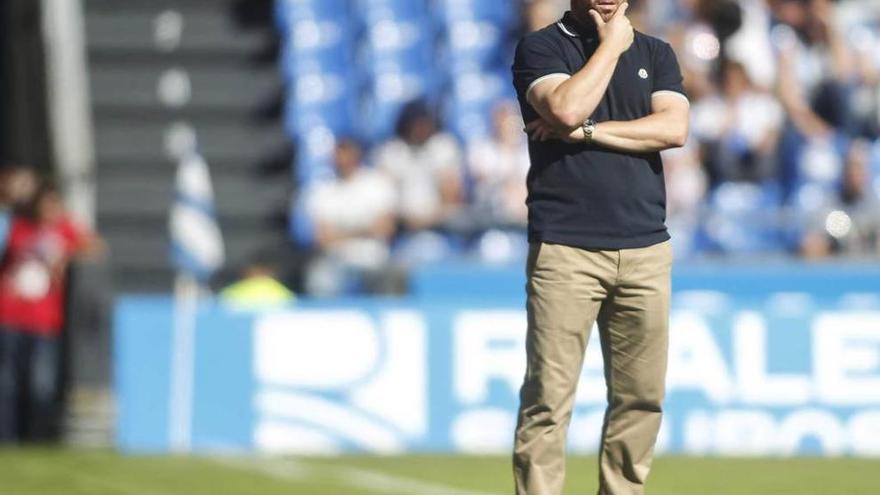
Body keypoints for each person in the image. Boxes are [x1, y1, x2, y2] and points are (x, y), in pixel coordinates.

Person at [511, 1, 689, 494]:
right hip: (566, 248)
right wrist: (611, 45)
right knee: (548, 400)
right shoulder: (541, 47)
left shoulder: (657, 52)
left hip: (646, 248)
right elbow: (567, 106)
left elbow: (672, 129)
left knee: (641, 399)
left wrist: (588, 134)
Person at [0, 181, 101, 443]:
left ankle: (38, 437)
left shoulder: (63, 230)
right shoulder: (18, 227)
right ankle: (8, 436)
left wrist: (67, 255)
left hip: (44, 320)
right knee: (8, 382)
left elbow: (95, 247)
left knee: (40, 384)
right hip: (10, 315)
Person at [304, 137, 398, 296]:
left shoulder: (377, 184)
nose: (341, 160)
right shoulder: (323, 191)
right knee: (320, 279)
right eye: (337, 155)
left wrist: (341, 233)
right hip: (337, 259)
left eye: (345, 154)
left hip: (373, 256)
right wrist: (366, 230)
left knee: (391, 276)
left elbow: (385, 229)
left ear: (356, 155)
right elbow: (323, 238)